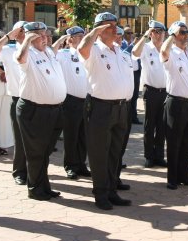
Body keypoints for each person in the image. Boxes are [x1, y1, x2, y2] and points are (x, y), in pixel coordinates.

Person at [78, 12, 133, 210]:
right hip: (100, 108)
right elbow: (82, 49)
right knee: (99, 153)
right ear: (99, 29)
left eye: (115, 25)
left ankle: (111, 191)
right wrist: (94, 32)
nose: (114, 29)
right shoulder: (93, 49)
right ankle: (100, 194)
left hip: (120, 108)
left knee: (115, 153)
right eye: (109, 26)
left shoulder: (119, 51)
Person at [15, 21, 66, 201]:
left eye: (45, 35)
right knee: (36, 153)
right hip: (34, 110)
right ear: (30, 37)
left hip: (54, 110)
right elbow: (20, 59)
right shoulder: (27, 53)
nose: (45, 38)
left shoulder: (48, 52)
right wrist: (27, 40)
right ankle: (35, 189)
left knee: (45, 152)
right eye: (40, 36)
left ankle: (44, 186)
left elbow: (54, 48)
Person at [160, 21, 188, 190]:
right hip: (176, 103)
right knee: (174, 142)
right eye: (182, 33)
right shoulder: (171, 53)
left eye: (187, 32)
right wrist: (171, 34)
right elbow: (163, 51)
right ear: (174, 36)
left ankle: (185, 176)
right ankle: (172, 178)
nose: (186, 36)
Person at [0, 21, 27, 185]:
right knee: (20, 139)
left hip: (37, 99)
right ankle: (20, 172)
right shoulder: (8, 50)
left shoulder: (35, 50)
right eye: (21, 30)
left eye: (26, 30)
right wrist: (8, 36)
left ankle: (36, 171)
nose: (24, 33)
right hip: (18, 98)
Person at [132, 20, 168, 168]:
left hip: (165, 92)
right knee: (150, 125)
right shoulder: (146, 47)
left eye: (161, 32)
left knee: (162, 126)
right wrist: (145, 36)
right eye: (155, 32)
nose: (158, 35)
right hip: (151, 91)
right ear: (151, 33)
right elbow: (135, 53)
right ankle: (149, 156)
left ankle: (159, 156)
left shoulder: (167, 48)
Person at [56, 26, 90, 179]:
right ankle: (70, 166)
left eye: (83, 35)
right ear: (70, 39)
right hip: (71, 101)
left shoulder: (87, 53)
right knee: (71, 136)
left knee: (84, 136)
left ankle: (81, 164)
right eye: (78, 36)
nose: (82, 38)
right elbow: (51, 53)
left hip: (87, 100)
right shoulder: (63, 54)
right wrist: (62, 39)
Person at [121, 27, 142, 125]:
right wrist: (133, 44)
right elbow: (123, 53)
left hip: (136, 73)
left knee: (135, 95)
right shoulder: (121, 44)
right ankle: (126, 117)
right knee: (127, 95)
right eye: (128, 33)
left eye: (131, 33)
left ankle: (134, 116)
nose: (130, 35)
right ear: (123, 34)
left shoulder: (135, 43)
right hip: (126, 73)